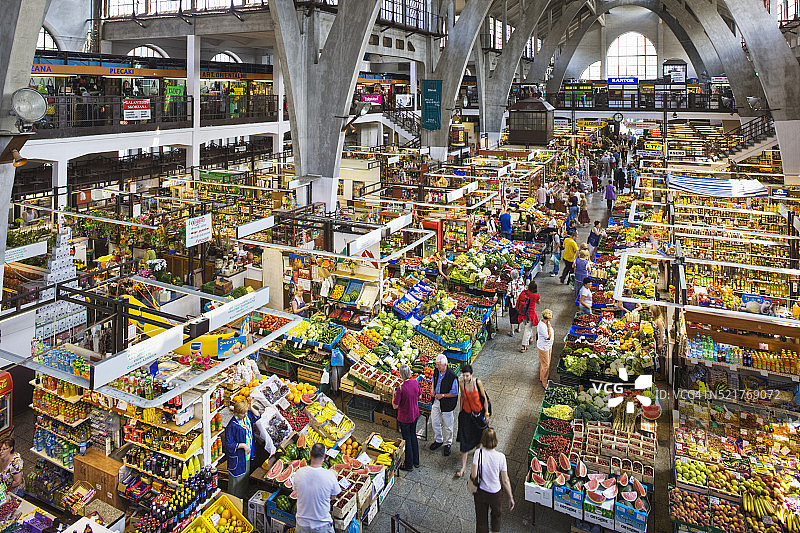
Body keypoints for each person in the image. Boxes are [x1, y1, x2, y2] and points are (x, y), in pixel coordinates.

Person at [471, 428, 514, 533]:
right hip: (495, 493)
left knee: (481, 521)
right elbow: (505, 480)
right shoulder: (501, 457)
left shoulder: (478, 453)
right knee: (496, 516)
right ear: (495, 440)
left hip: (481, 492)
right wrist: (510, 497)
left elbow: (474, 475)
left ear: (483, 439)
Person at [294, 443, 341, 533]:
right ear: (324, 456)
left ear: (310, 455)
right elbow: (333, 496)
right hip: (322, 524)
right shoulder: (330, 475)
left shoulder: (299, 473)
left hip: (302, 524)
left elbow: (297, 491)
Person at [455, 364, 490, 478]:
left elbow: (484, 398)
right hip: (467, 415)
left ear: (471, 375)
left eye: (467, 376)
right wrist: (460, 411)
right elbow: (462, 397)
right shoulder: (461, 384)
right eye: (463, 376)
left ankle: (477, 454)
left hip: (478, 415)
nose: (465, 378)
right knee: (464, 440)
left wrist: (486, 413)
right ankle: (463, 467)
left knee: (479, 436)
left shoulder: (477, 383)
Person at [225, 400, 259, 499]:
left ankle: (242, 498)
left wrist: (250, 407)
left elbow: (257, 416)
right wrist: (242, 445)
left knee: (244, 477)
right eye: (242, 413)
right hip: (238, 458)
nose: (245, 415)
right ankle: (234, 500)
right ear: (236, 412)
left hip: (246, 456)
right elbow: (229, 445)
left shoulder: (247, 417)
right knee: (236, 481)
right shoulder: (232, 425)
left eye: (246, 412)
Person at [392, 364, 421, 471]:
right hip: (415, 414)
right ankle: (416, 461)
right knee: (413, 436)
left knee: (407, 439)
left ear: (401, 375)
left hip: (405, 418)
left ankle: (408, 465)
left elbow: (395, 406)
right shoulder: (415, 382)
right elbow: (420, 396)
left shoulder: (401, 388)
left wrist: (393, 395)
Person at [430, 354, 458, 456]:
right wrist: (432, 389)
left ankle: (448, 443)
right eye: (436, 365)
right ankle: (438, 440)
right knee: (435, 421)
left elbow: (454, 393)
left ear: (445, 365)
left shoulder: (452, 376)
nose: (437, 367)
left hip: (447, 404)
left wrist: (442, 395)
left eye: (439, 365)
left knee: (448, 425)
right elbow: (433, 380)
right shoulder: (436, 371)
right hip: (436, 401)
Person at [516, 281, 540, 353]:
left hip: (523, 313)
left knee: (528, 327)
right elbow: (539, 302)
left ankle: (531, 338)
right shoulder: (536, 295)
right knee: (527, 330)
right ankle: (523, 346)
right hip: (530, 314)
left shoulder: (524, 292)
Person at [537, 309, 554, 387]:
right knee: (546, 365)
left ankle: (542, 377)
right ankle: (544, 382)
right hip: (544, 347)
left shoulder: (546, 322)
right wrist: (549, 328)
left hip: (548, 346)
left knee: (545, 363)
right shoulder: (542, 326)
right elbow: (548, 337)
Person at [506, 270, 522, 336]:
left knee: (512, 315)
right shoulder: (521, 282)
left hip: (513, 302)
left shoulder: (510, 284)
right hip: (520, 303)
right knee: (519, 314)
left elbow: (508, 294)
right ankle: (518, 328)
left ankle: (512, 330)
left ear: (511, 276)